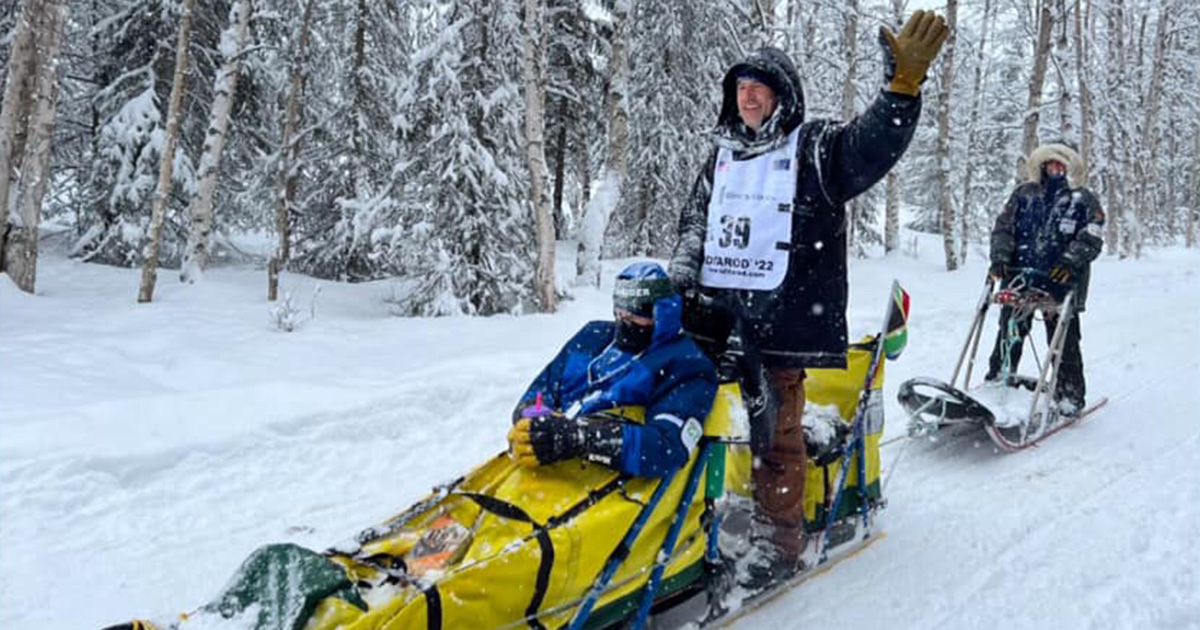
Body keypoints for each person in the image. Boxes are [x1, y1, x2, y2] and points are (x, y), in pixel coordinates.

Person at [667, 11, 949, 586]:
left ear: (781, 97)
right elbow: (698, 219)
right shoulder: (721, 155)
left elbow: (868, 149)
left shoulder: (813, 148)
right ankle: (680, 532)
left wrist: (900, 92)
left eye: (758, 89)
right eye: (740, 89)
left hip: (784, 321)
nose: (747, 99)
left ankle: (778, 544)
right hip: (715, 318)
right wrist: (682, 268)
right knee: (689, 421)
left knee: (775, 435)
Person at [508, 261, 718, 478]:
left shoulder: (686, 363)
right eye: (620, 308)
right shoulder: (592, 336)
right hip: (547, 465)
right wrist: (537, 425)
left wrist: (580, 438)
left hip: (611, 479)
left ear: (661, 312)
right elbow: (542, 389)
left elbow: (666, 448)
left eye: (637, 311)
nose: (624, 318)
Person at [985, 140, 1104, 414]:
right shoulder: (1023, 194)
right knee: (1009, 332)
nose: (1056, 168)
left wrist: (1070, 260)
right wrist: (1000, 257)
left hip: (1062, 282)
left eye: (1061, 164)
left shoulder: (1083, 200)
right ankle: (999, 381)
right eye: (1051, 163)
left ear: (1069, 167)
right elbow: (1003, 228)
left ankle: (1069, 396)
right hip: (1019, 278)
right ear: (1042, 165)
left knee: (1063, 342)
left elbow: (1093, 236)